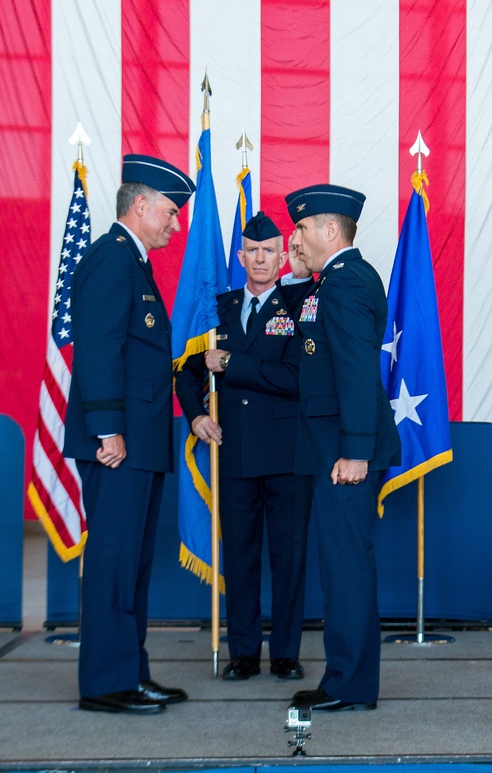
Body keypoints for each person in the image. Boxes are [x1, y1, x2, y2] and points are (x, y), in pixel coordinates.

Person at [64, 153, 195, 715]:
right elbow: (97, 351)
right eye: (169, 212)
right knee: (114, 562)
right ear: (139, 206)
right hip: (116, 444)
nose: (175, 223)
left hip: (139, 443)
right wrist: (109, 430)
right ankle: (105, 683)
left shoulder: (132, 262)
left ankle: (129, 672)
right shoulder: (110, 261)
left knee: (132, 566)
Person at [174, 212, 314, 682]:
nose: (259, 258)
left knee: (289, 558)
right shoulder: (218, 308)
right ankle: (245, 653)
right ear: (241, 256)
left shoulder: (300, 307)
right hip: (231, 453)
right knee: (241, 555)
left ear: (283, 256)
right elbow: (187, 370)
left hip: (286, 455)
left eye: (269, 250)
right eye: (251, 250)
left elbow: (294, 378)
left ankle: (287, 653)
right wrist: (195, 415)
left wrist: (232, 362)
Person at [283, 184, 401, 712]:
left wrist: (355, 451)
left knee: (347, 567)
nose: (296, 237)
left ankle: (350, 685)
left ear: (331, 230)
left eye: (303, 229)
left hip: (344, 453)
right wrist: (295, 268)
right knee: (338, 565)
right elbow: (313, 339)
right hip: (331, 448)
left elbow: (356, 373)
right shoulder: (331, 281)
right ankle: (343, 677)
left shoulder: (346, 283)